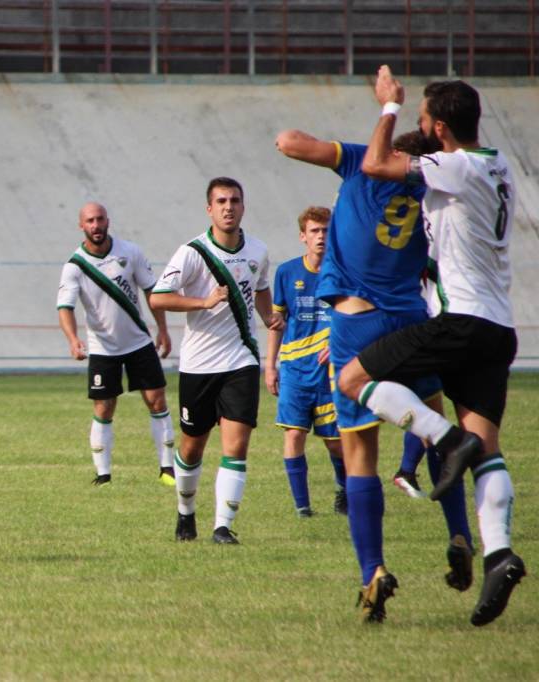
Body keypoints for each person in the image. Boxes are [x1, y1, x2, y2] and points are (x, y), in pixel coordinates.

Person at [337, 66, 525, 627]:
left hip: (460, 319)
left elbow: (375, 163)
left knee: (351, 379)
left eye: (424, 120)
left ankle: (444, 439)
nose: (418, 127)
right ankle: (499, 555)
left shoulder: (454, 165)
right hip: (498, 329)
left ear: (440, 129)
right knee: (487, 449)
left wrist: (388, 107)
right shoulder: (498, 165)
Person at [150, 177, 280, 545]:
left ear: (243, 206)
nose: (228, 207)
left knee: (236, 446)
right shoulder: (192, 252)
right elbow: (159, 298)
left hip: (241, 360)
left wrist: (270, 316)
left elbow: (259, 288)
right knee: (192, 448)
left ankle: (222, 526)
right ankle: (185, 513)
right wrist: (202, 303)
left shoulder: (257, 251)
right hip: (198, 365)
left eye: (235, 200)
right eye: (221, 201)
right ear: (209, 208)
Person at [57, 203, 175, 486]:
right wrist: (73, 340)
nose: (96, 225)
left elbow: (152, 292)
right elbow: (65, 307)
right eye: (89, 221)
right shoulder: (74, 266)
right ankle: (103, 474)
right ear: (81, 226)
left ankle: (167, 469)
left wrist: (163, 330)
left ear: (108, 221)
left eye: (99, 219)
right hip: (102, 348)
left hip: (138, 343)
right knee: (104, 407)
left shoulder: (130, 252)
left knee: (157, 400)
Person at [264, 206, 346, 518]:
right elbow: (277, 322)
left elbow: (355, 317)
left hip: (331, 373)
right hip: (295, 370)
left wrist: (338, 344)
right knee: (294, 433)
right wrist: (270, 365)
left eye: (325, 230)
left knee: (335, 442)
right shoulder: (286, 272)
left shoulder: (343, 272)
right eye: (315, 231)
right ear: (303, 236)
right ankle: (303, 508)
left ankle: (342, 489)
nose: (321, 236)